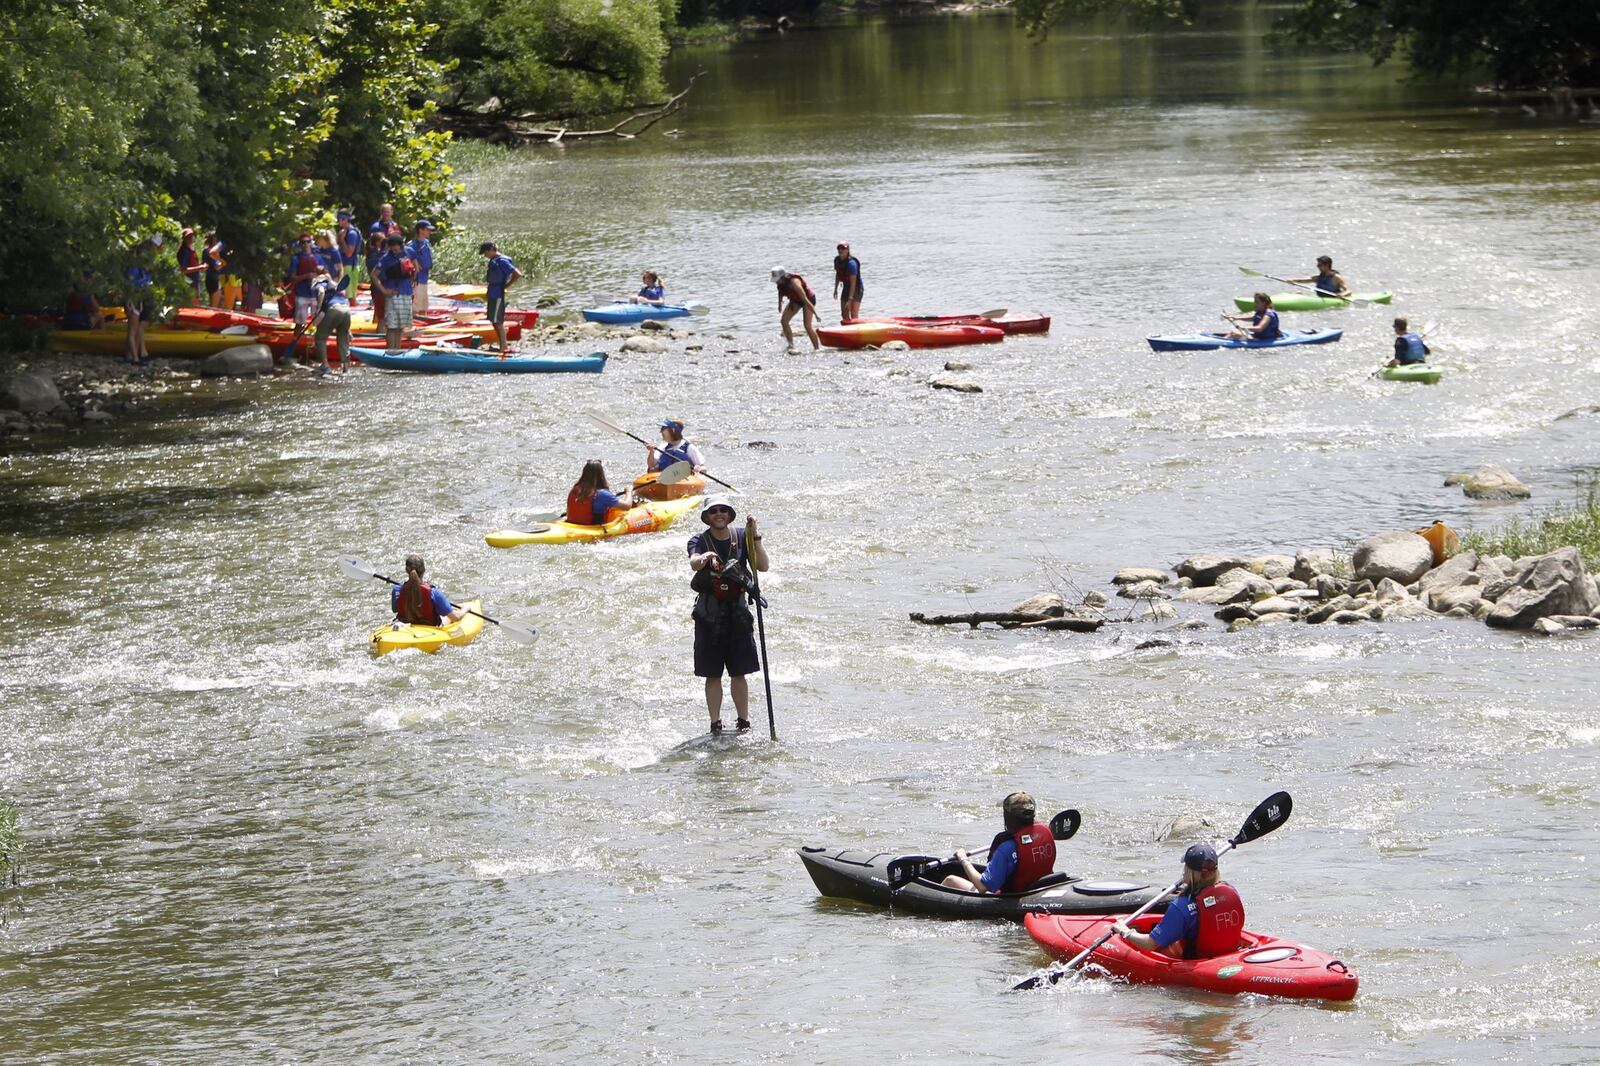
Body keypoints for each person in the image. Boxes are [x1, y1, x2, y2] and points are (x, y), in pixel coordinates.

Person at [687, 496, 770, 733]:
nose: (719, 514)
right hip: (708, 617)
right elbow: (693, 562)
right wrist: (704, 558)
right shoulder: (699, 540)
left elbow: (763, 566)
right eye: (713, 511)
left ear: (730, 514)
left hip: (738, 615)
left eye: (723, 510)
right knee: (712, 674)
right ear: (707, 516)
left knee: (739, 672)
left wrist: (755, 536)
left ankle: (743, 720)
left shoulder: (742, 536)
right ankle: (715, 723)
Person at [1112, 843, 1245, 959]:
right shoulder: (1231, 891)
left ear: (1189, 871)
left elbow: (1150, 944)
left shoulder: (1181, 907)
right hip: (1229, 954)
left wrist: (1126, 932)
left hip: (1198, 962)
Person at [941, 792, 1057, 894]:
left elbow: (983, 887)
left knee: (950, 880)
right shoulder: (1046, 832)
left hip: (1013, 896)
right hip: (1038, 888)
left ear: (1008, 817)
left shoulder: (1007, 847)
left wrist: (963, 859)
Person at [391, 555, 466, 626]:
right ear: (424, 570)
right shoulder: (434, 593)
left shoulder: (397, 590)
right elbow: (456, 618)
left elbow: (395, 609)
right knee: (447, 617)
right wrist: (465, 610)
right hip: (429, 629)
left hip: (404, 627)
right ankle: (450, 609)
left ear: (406, 570)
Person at [372, 234, 415, 352]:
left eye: (397, 249)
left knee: (400, 326)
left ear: (402, 246)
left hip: (406, 293)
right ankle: (391, 351)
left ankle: (398, 350)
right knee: (391, 326)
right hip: (392, 294)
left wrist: (413, 282)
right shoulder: (386, 258)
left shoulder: (409, 252)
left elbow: (415, 267)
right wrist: (384, 290)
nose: (395, 251)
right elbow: (374, 275)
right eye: (392, 249)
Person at [122, 236, 159, 365]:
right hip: (135, 296)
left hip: (140, 297)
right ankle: (134, 357)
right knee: (133, 329)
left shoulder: (143, 266)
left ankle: (132, 355)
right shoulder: (134, 266)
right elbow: (131, 283)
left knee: (135, 327)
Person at [481, 241, 523, 353]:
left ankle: (504, 347)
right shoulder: (494, 260)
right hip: (492, 292)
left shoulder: (502, 261)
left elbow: (517, 274)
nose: (485, 255)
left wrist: (506, 285)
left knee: (498, 321)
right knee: (493, 320)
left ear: (491, 250)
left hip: (497, 293)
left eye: (485, 253)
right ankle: (502, 346)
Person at [308, 272, 351, 376]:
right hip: (346, 309)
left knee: (320, 337)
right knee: (343, 338)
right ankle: (345, 368)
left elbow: (321, 292)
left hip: (333, 309)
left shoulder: (319, 282)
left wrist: (318, 308)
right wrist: (349, 330)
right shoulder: (334, 284)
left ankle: (325, 366)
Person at [566, 459, 634, 525]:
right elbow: (627, 506)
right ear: (601, 474)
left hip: (571, 525)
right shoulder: (602, 494)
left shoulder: (575, 489)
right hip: (590, 529)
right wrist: (629, 492)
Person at [772, 266, 821, 352]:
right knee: (784, 321)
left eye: (776, 279)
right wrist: (780, 303)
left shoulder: (795, 283)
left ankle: (817, 349)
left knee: (807, 325)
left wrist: (816, 314)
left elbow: (805, 299)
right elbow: (780, 292)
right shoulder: (780, 284)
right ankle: (791, 345)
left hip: (808, 299)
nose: (775, 281)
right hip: (795, 300)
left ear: (782, 277)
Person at [286, 232, 322, 325]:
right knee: (299, 323)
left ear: (311, 243)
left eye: (308, 242)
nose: (306, 244)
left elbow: (325, 274)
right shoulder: (296, 259)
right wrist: (306, 276)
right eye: (303, 242)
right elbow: (292, 278)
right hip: (302, 294)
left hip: (316, 295)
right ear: (300, 244)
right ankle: (297, 338)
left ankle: (318, 338)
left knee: (319, 323)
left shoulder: (318, 257)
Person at [406, 220, 434, 319]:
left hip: (425, 278)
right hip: (416, 279)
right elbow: (407, 260)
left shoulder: (426, 243)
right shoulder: (412, 245)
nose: (430, 232)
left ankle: (423, 323)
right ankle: (414, 323)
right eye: (428, 230)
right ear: (420, 230)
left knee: (423, 305)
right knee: (416, 306)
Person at [832, 241, 863, 322]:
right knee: (844, 313)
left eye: (843, 248)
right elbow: (838, 274)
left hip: (856, 287)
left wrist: (850, 299)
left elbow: (853, 283)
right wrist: (835, 289)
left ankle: (857, 330)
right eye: (839, 248)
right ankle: (848, 329)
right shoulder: (837, 260)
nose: (841, 250)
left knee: (853, 313)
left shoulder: (851, 264)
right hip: (846, 286)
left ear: (847, 250)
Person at [365, 233, 388, 324]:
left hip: (375, 285)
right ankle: (379, 326)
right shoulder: (376, 255)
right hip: (379, 285)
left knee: (378, 309)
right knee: (381, 311)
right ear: (378, 242)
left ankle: (375, 322)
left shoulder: (372, 254)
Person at [177, 228, 204, 304]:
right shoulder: (184, 252)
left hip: (195, 282)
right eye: (188, 237)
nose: (190, 239)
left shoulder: (192, 250)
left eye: (192, 236)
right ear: (184, 239)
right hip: (189, 283)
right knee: (192, 306)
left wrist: (201, 267)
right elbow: (183, 270)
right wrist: (199, 267)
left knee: (196, 304)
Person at [335, 210, 362, 285]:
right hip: (344, 265)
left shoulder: (351, 233)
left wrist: (342, 239)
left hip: (349, 266)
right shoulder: (343, 231)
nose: (338, 221)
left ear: (345, 219)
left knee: (349, 295)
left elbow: (349, 254)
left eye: (339, 219)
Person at [203, 231, 227, 308]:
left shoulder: (217, 252)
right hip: (212, 278)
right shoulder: (208, 251)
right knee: (214, 305)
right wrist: (223, 263)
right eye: (215, 238)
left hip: (216, 278)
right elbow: (216, 266)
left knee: (222, 301)